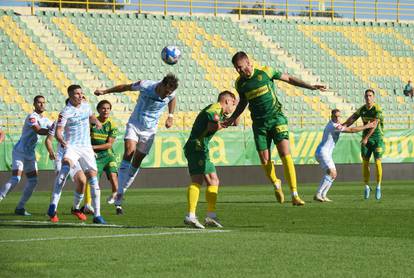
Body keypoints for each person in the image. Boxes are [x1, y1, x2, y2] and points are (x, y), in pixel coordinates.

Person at [223, 51, 326, 206]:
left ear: (248, 63)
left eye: (239, 67)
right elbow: (243, 102)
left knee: (285, 154)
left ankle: (294, 194)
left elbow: (289, 79)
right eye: (236, 69)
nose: (238, 71)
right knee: (265, 160)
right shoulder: (240, 84)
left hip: (276, 118)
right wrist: (232, 118)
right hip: (259, 124)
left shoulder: (266, 72)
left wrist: (311, 87)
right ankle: (276, 183)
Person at [94, 74, 178, 215]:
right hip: (135, 124)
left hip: (150, 130)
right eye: (165, 92)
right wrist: (105, 91)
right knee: (129, 152)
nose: (166, 95)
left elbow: (173, 99)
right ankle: (118, 192)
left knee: (137, 161)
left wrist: (171, 116)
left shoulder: (171, 93)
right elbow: (125, 87)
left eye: (169, 93)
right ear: (162, 84)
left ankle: (121, 192)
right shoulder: (146, 85)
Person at [47, 84, 106, 224]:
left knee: (92, 178)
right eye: (77, 94)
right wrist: (60, 137)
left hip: (86, 147)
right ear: (70, 96)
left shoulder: (86, 106)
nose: (80, 96)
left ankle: (97, 215)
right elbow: (59, 130)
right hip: (72, 146)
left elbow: (91, 116)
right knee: (65, 168)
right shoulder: (65, 112)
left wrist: (97, 121)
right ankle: (53, 205)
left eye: (81, 93)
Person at [184, 91, 238, 229]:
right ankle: (191, 216)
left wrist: (238, 108)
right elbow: (211, 126)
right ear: (226, 101)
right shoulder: (215, 108)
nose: (233, 106)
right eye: (233, 103)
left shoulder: (219, 112)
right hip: (196, 146)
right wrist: (225, 123)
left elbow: (235, 122)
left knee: (213, 180)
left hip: (202, 147)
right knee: (197, 180)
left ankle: (211, 216)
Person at [0, 95, 51, 215]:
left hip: (30, 154)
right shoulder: (31, 117)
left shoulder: (46, 120)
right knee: (16, 178)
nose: (42, 104)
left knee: (33, 180)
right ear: (34, 104)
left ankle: (20, 208)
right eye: (39, 102)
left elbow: (55, 127)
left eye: (43, 102)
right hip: (20, 151)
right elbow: (38, 130)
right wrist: (52, 130)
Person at [314, 109, 375, 202]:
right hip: (323, 152)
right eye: (335, 116)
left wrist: (352, 119)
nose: (337, 118)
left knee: (333, 174)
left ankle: (323, 195)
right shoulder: (334, 126)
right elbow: (351, 130)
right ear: (332, 117)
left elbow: (346, 125)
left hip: (325, 153)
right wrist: (367, 126)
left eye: (339, 116)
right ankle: (318, 194)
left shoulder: (335, 124)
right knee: (331, 172)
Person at [45, 112, 87, 221]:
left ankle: (76, 208)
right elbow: (48, 140)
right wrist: (50, 152)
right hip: (61, 157)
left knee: (82, 180)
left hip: (74, 157)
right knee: (61, 180)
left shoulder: (81, 123)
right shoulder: (58, 123)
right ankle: (52, 209)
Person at [343, 89, 384, 200]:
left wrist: (366, 137)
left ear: (373, 97)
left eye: (370, 96)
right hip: (366, 140)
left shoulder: (377, 109)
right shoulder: (362, 109)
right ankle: (366, 186)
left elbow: (374, 125)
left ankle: (378, 186)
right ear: (364, 97)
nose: (368, 98)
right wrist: (342, 126)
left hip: (377, 139)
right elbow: (352, 118)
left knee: (377, 162)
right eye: (366, 96)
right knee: (365, 163)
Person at [82, 100, 119, 213]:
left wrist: (91, 147)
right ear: (98, 110)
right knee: (93, 181)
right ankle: (88, 205)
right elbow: (85, 137)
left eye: (108, 108)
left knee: (113, 176)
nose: (106, 110)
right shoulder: (92, 122)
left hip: (108, 155)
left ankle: (116, 200)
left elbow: (109, 144)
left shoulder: (112, 124)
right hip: (95, 156)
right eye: (103, 108)